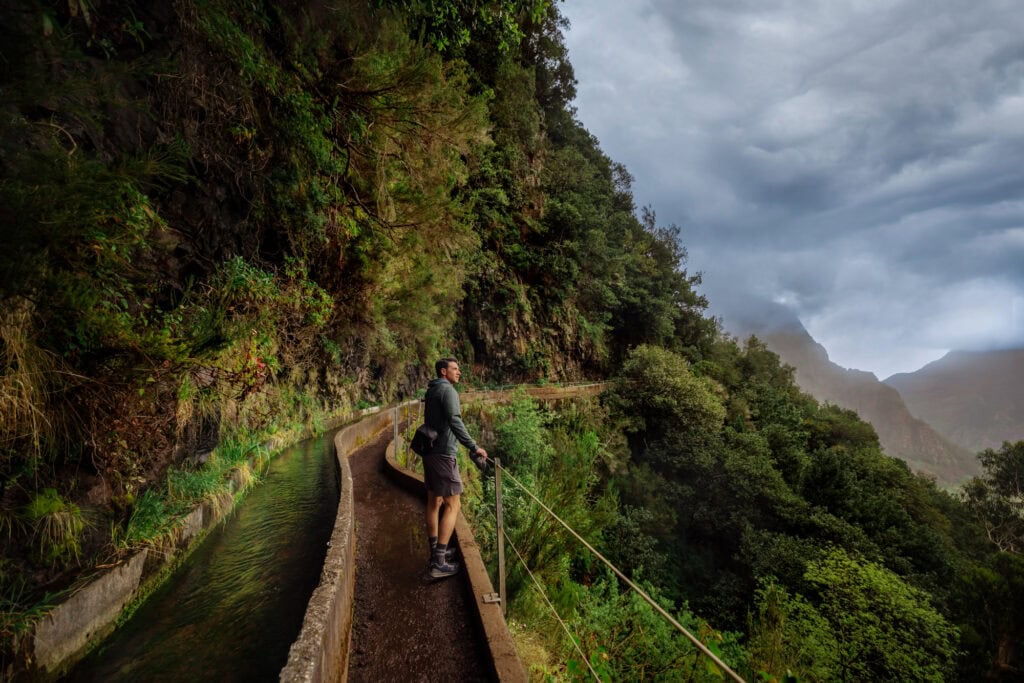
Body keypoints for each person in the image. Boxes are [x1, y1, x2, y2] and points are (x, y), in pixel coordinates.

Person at [422, 357, 488, 579]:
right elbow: (455, 420)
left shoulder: (431, 390)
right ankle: (439, 562)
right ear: (443, 372)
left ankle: (435, 551)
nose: (459, 372)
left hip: (429, 452)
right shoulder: (448, 391)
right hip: (443, 453)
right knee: (453, 504)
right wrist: (474, 446)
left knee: (434, 501)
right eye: (455, 369)